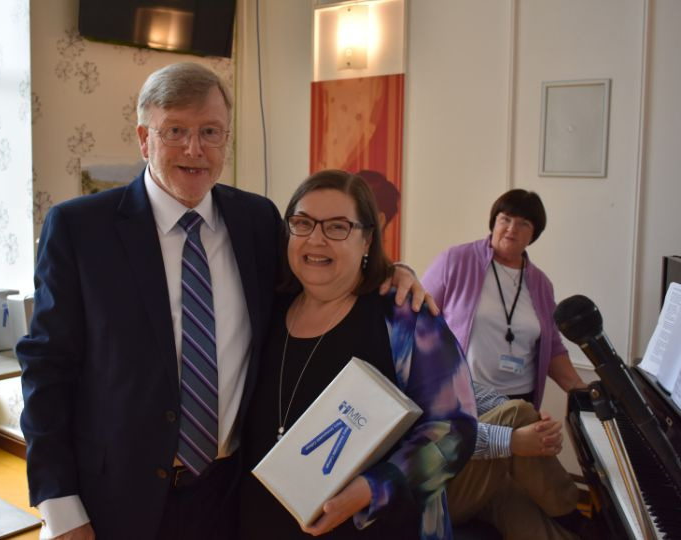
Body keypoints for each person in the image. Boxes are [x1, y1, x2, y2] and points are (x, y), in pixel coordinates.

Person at [17, 63, 429, 540]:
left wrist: (392, 270)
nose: (195, 149)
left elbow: (316, 269)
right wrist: (61, 506)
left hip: (231, 495)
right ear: (143, 138)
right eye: (176, 131)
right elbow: (47, 369)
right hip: (114, 499)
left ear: (226, 139)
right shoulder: (79, 229)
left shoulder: (255, 220)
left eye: (211, 132)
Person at [238, 170, 477, 540]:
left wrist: (372, 488)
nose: (315, 239)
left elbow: (455, 430)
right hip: (260, 521)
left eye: (337, 227)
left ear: (367, 240)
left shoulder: (405, 319)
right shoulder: (264, 308)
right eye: (302, 223)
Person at [421, 189, 589, 537]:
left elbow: (552, 345)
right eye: (504, 219)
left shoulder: (540, 284)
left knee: (527, 509)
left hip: (513, 398)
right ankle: (569, 507)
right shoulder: (456, 261)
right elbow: (419, 318)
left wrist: (580, 389)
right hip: (463, 405)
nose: (511, 228)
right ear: (493, 222)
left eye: (522, 223)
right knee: (520, 419)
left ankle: (576, 524)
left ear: (534, 234)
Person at [449, 383, 586, 540]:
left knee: (526, 516)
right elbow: (428, 438)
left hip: (450, 477)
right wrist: (511, 439)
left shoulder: (434, 363)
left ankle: (579, 525)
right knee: (517, 413)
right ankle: (572, 516)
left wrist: (536, 423)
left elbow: (469, 393)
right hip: (423, 499)